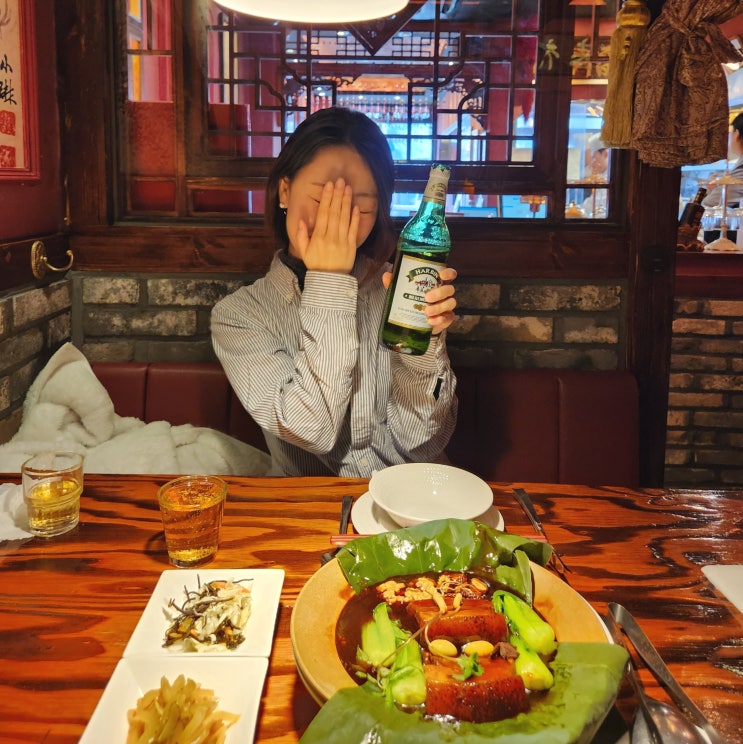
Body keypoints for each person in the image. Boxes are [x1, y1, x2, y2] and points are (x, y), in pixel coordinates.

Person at [211, 107, 458, 477]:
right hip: (314, 504)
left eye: (362, 205)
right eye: (323, 199)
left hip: (413, 495)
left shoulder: (399, 290)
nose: (339, 219)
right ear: (284, 191)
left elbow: (422, 442)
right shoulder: (239, 315)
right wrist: (329, 280)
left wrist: (423, 343)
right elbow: (311, 430)